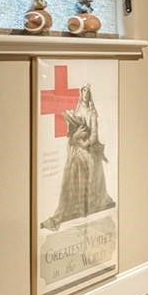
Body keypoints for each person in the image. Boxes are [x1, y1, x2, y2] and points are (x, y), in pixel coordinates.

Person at [45, 84, 113, 229]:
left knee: (80, 161)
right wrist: (75, 136)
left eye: (88, 92)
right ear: (80, 93)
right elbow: (71, 133)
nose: (85, 94)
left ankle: (82, 205)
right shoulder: (77, 110)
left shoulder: (92, 113)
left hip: (89, 148)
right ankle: (72, 205)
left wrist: (84, 144)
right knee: (72, 163)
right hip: (78, 144)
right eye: (83, 91)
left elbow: (94, 135)